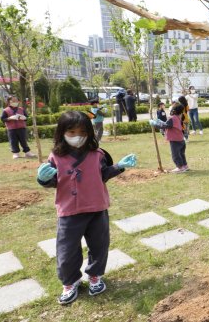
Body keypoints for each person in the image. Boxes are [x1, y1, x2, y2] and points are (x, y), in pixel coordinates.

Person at [36, 111, 136, 305]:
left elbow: (103, 175)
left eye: (82, 131)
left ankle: (95, 276)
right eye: (71, 131)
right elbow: (52, 181)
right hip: (69, 213)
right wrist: (43, 179)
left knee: (99, 245)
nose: (77, 136)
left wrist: (119, 166)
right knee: (67, 250)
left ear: (89, 132)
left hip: (97, 209)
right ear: (62, 132)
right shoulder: (56, 157)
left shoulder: (98, 154)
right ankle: (70, 282)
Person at [150, 102, 189, 173]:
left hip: (175, 140)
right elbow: (168, 124)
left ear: (173, 110)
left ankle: (180, 167)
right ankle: (185, 166)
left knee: (175, 155)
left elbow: (165, 126)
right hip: (181, 139)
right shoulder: (177, 117)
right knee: (181, 154)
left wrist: (155, 124)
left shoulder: (172, 118)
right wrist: (161, 121)